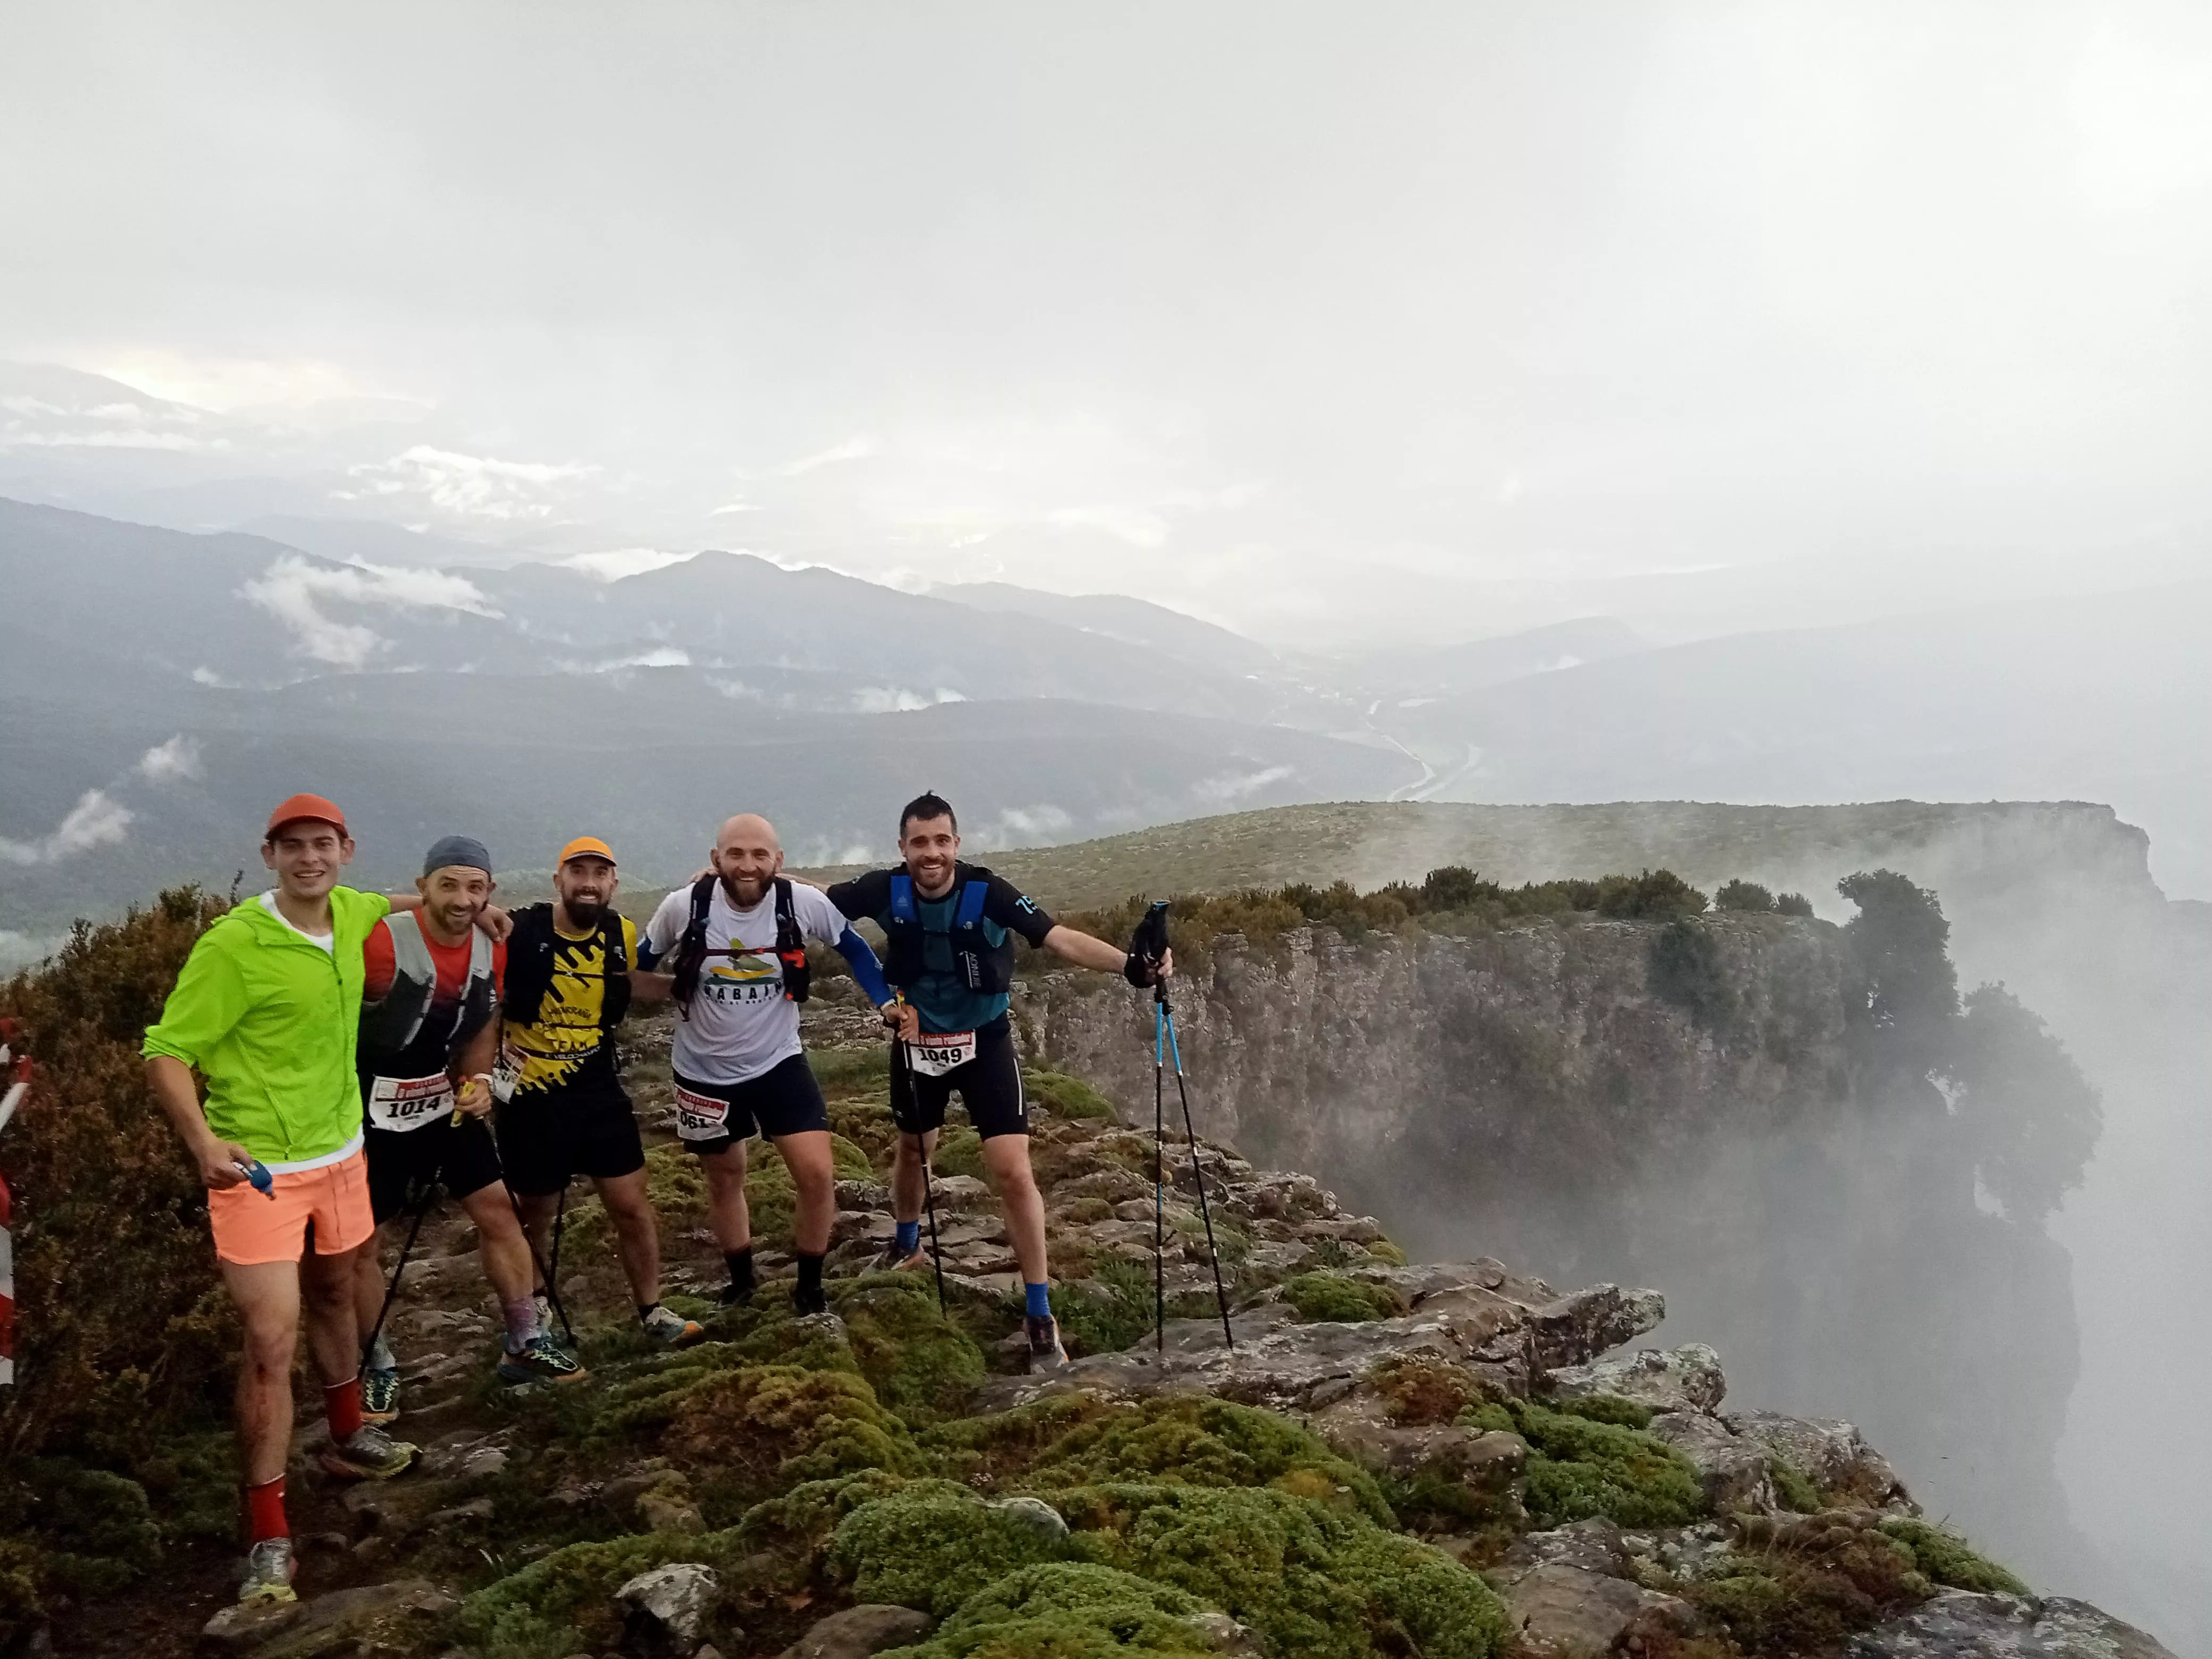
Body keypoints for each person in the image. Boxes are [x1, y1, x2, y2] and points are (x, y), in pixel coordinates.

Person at [142, 794, 505, 1606]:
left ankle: (348, 1437)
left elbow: (413, 901)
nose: (310, 858)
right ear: (269, 855)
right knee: (272, 1339)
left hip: (343, 1151)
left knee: (340, 1290)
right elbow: (167, 1050)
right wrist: (203, 1143)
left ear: (346, 850)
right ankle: (267, 1532)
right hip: (260, 1169)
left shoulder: (353, 910)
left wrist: (488, 915)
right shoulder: (235, 944)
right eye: (293, 846)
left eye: (324, 845)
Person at [826, 792, 1168, 1370]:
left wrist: (1131, 968)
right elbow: (812, 903)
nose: (930, 853)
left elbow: (1058, 937)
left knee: (1012, 1172)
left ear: (956, 845)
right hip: (918, 1043)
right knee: (913, 1149)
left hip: (984, 1042)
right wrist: (748, 869)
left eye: (941, 841)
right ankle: (906, 1244)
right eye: (919, 842)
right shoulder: (884, 890)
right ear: (902, 847)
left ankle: (1039, 1313)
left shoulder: (989, 892)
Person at [349, 836, 585, 1424]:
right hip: (367, 1108)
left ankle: (525, 1342)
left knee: (500, 1212)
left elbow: (484, 1019)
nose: (461, 899)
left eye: (474, 887)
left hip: (442, 1098)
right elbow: (329, 909)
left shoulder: (490, 946)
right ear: (423, 885)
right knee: (362, 1245)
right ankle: (375, 1365)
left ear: (490, 892)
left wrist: (480, 1080)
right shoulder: (378, 937)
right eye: (447, 884)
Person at [634, 814, 898, 1317]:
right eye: (736, 854)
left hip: (779, 1061)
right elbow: (636, 965)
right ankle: (741, 1281)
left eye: (760, 855)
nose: (747, 865)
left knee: (818, 1174)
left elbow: (856, 950)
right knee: (726, 1176)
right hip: (703, 1069)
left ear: (779, 862)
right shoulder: (683, 907)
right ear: (717, 861)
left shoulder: (801, 903)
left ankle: (810, 1287)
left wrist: (884, 1003)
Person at [495, 836, 700, 1347]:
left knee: (631, 1203)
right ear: (558, 879)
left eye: (599, 874)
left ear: (613, 882)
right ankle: (535, 1307)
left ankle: (652, 1311)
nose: (588, 883)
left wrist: (687, 984)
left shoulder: (619, 931)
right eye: (578, 872)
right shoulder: (522, 928)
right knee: (535, 1208)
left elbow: (626, 981)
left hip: (597, 1087)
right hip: (530, 1090)